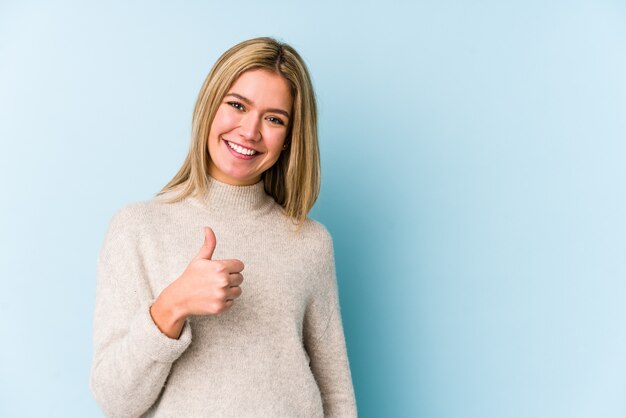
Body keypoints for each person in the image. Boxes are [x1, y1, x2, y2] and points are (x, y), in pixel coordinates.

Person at [89, 37, 357, 417]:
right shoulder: (137, 228)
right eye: (237, 105)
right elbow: (116, 402)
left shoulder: (311, 243)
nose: (250, 131)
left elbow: (337, 394)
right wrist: (172, 305)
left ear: (289, 139)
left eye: (274, 118)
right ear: (209, 107)